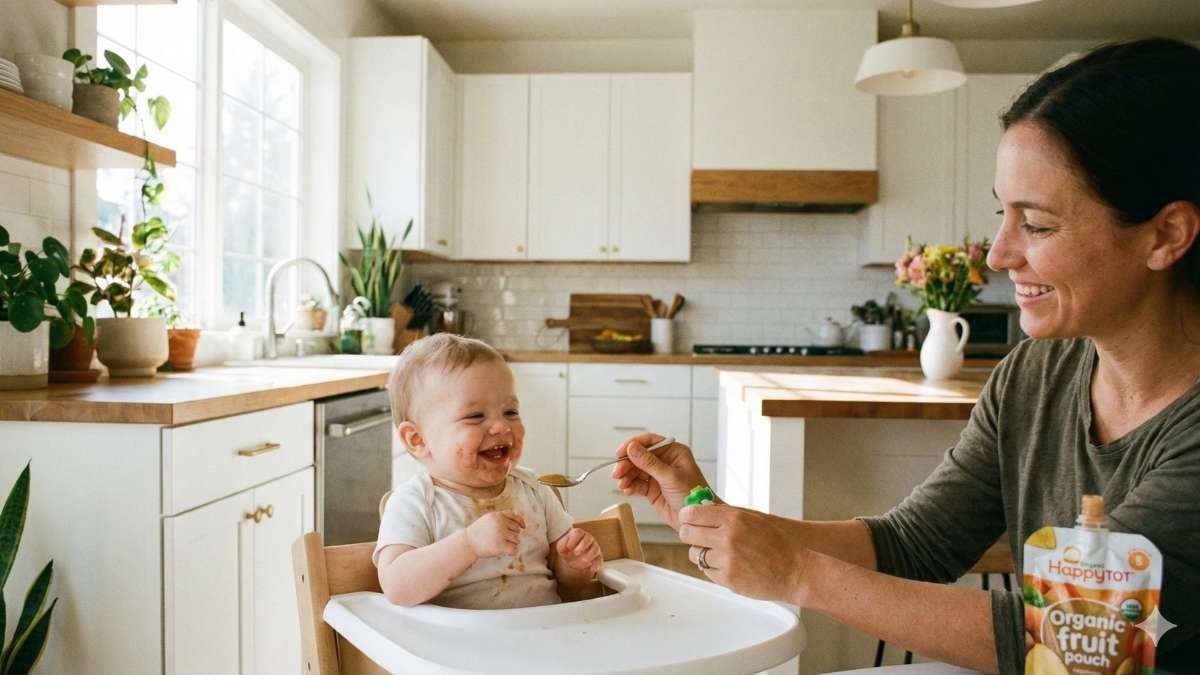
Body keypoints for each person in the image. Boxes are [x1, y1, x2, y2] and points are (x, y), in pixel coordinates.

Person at [612, 38, 1200, 674]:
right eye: (1001, 213)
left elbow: (1076, 632)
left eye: (1037, 223)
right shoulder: (1034, 376)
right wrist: (717, 518)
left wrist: (798, 573)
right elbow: (913, 544)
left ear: (1165, 235)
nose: (998, 253)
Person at [375, 333, 602, 609]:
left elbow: (567, 583)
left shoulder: (535, 490)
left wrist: (575, 565)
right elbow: (397, 587)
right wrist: (468, 544)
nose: (502, 427)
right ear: (417, 439)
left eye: (511, 412)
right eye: (475, 416)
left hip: (542, 638)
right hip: (461, 646)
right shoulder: (415, 503)